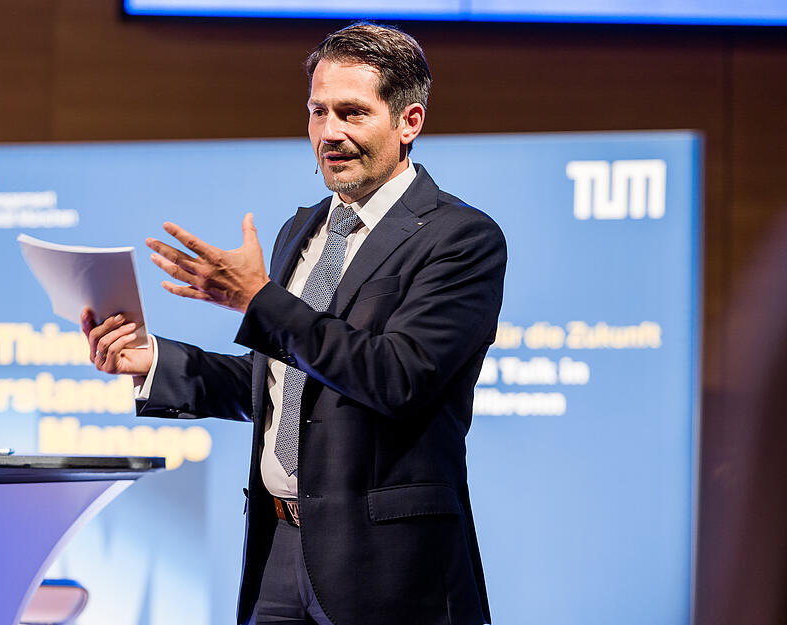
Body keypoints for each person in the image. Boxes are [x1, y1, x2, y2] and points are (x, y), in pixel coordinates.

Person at [82, 22, 506, 625]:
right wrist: (154, 361)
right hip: (279, 549)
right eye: (317, 111)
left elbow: (396, 377)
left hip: (389, 566)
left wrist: (260, 301)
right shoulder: (299, 230)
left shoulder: (459, 238)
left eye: (352, 113)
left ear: (409, 121)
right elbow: (287, 386)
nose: (329, 133)